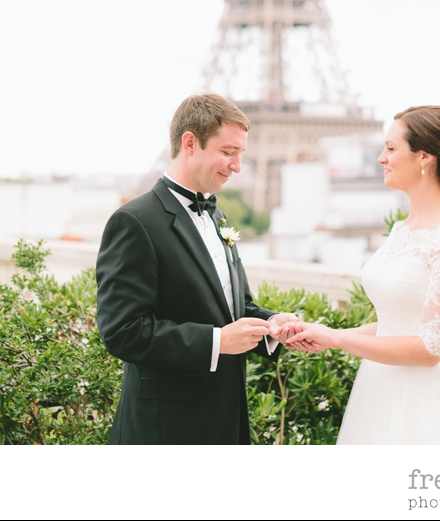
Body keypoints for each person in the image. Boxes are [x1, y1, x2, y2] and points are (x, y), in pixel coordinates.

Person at [281, 105, 440, 445]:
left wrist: (337, 339)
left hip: (428, 401)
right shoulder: (403, 229)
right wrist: (327, 333)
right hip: (378, 385)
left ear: (424, 157)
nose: (380, 158)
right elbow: (398, 321)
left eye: (390, 148)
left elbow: (430, 348)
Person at [96, 93, 297, 445]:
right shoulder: (134, 222)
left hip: (226, 421)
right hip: (167, 429)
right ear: (190, 142)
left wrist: (271, 324)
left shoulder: (218, 216)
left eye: (240, 154)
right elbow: (122, 331)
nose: (237, 165)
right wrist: (218, 342)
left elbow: (233, 308)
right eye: (228, 152)